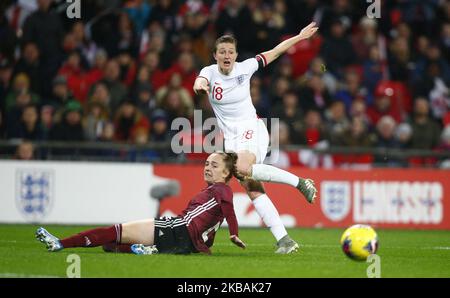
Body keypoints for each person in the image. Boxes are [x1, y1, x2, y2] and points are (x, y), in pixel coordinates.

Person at [193, 22, 319, 254]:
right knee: (250, 187)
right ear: (215, 55)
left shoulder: (246, 67)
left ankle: (300, 183)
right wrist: (200, 87)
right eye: (222, 52)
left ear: (236, 55)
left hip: (253, 128)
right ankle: (284, 240)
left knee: (241, 167)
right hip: (231, 139)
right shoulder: (209, 72)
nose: (227, 55)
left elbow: (275, 51)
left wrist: (300, 37)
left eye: (231, 52)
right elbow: (199, 82)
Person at [36, 152, 245, 255]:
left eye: (214, 165)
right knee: (110, 246)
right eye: (206, 163)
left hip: (175, 229)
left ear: (226, 173)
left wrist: (234, 233)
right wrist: (202, 246)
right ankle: (143, 249)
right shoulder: (214, 193)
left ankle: (61, 243)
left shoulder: (221, 189)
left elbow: (230, 211)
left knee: (114, 231)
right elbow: (212, 225)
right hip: (183, 241)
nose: (207, 168)